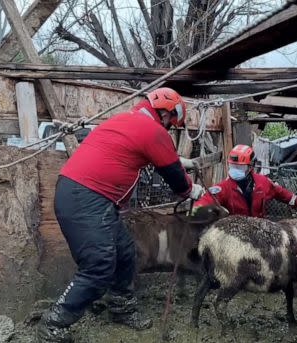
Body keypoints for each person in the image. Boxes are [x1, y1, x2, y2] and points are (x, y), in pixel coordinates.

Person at [37, 87, 205, 342]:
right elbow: (176, 182)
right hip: (87, 198)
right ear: (165, 113)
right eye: (171, 122)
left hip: (82, 194)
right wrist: (192, 190)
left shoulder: (126, 120)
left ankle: (121, 307)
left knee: (125, 252)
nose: (170, 127)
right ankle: (54, 322)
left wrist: (179, 161)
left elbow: (152, 153)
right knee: (98, 265)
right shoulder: (152, 131)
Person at [191, 144, 297, 217]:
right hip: (236, 234)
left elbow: (283, 194)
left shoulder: (263, 183)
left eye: (240, 166)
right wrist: (195, 212)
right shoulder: (223, 188)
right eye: (233, 166)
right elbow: (206, 200)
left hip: (259, 232)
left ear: (251, 166)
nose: (235, 169)